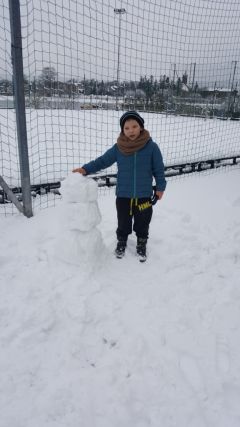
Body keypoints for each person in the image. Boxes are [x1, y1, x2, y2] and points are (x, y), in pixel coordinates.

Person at [73, 111, 166, 262]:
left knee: (143, 221)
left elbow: (159, 169)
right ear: (122, 130)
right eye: (127, 128)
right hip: (123, 195)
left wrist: (160, 187)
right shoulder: (119, 148)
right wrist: (85, 169)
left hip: (144, 195)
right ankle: (121, 241)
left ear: (141, 127)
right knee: (123, 221)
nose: (131, 130)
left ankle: (142, 243)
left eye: (134, 126)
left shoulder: (151, 147)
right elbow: (102, 161)